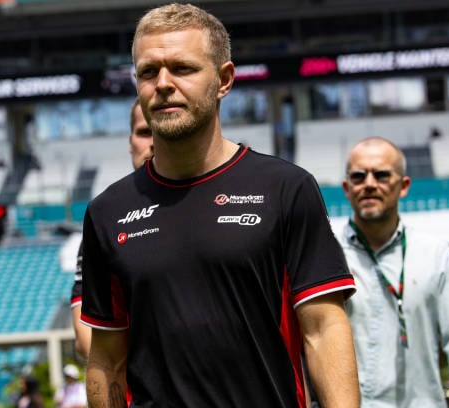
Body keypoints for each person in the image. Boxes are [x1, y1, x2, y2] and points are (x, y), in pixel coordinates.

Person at [81, 3, 359, 407]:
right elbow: (106, 359)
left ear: (224, 79)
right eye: (147, 71)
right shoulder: (107, 212)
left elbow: (323, 330)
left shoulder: (286, 188)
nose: (162, 84)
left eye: (183, 68)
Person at [339, 136, 449, 407]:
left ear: (404, 186)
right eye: (359, 176)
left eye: (382, 175)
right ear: (347, 188)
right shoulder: (325, 254)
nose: (370, 184)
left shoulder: (435, 255)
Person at [70, 97, 153, 359]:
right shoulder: (107, 219)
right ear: (130, 142)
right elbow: (87, 339)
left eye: (160, 131)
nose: (152, 143)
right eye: (143, 132)